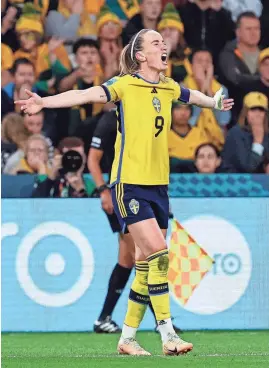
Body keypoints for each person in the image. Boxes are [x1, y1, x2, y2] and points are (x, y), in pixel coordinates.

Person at [15, 28, 233, 356]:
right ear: (141, 55)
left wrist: (214, 101)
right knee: (159, 253)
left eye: (164, 41)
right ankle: (168, 333)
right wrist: (43, 101)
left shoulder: (168, 86)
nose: (164, 45)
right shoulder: (125, 84)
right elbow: (84, 95)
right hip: (129, 185)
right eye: (156, 43)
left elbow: (192, 96)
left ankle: (127, 338)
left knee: (146, 264)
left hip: (159, 186)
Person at [88, 110, 182, 333]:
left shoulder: (144, 114)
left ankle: (104, 318)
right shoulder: (111, 118)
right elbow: (93, 158)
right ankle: (161, 322)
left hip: (145, 191)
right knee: (146, 255)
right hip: (124, 193)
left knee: (128, 259)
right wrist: (103, 190)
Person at [219, 12, 261, 117]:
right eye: (248, 29)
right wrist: (261, 80)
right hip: (237, 113)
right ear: (238, 32)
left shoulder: (266, 54)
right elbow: (235, 79)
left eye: (256, 28)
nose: (253, 33)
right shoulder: (228, 54)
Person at [168, 102, 224, 173]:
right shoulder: (163, 136)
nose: (183, 113)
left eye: (186, 109)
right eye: (178, 108)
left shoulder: (201, 133)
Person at [222, 92, 269, 173]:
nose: (257, 114)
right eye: (253, 109)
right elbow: (248, 168)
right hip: (236, 181)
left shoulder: (267, 135)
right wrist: (257, 142)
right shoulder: (235, 134)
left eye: (261, 110)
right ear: (245, 113)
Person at [184, 48, 231, 128]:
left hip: (216, 136)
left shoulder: (222, 90)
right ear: (191, 66)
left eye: (208, 61)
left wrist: (208, 90)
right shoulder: (183, 88)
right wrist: (202, 90)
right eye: (199, 61)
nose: (204, 65)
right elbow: (190, 122)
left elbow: (223, 121)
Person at [179, 0, 235, 66]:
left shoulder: (223, 14)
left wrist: (218, 13)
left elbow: (232, 38)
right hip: (186, 63)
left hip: (217, 64)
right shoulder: (183, 12)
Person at [157, 2, 192, 82]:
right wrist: (165, 53)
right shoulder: (150, 55)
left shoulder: (190, 55)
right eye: (163, 30)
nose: (167, 34)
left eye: (172, 29)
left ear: (179, 34)